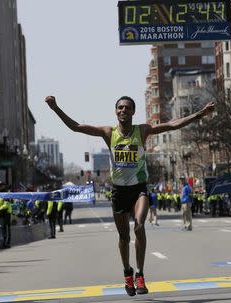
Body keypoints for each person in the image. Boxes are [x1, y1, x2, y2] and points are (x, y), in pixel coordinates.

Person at [45, 95, 214, 296]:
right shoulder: (108, 133)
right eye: (120, 108)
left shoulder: (142, 131)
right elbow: (76, 127)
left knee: (140, 226)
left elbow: (172, 125)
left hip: (138, 188)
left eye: (127, 108)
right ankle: (127, 271)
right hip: (118, 191)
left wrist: (198, 115)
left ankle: (140, 274)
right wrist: (55, 108)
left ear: (133, 112)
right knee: (124, 237)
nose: (123, 110)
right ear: (116, 111)